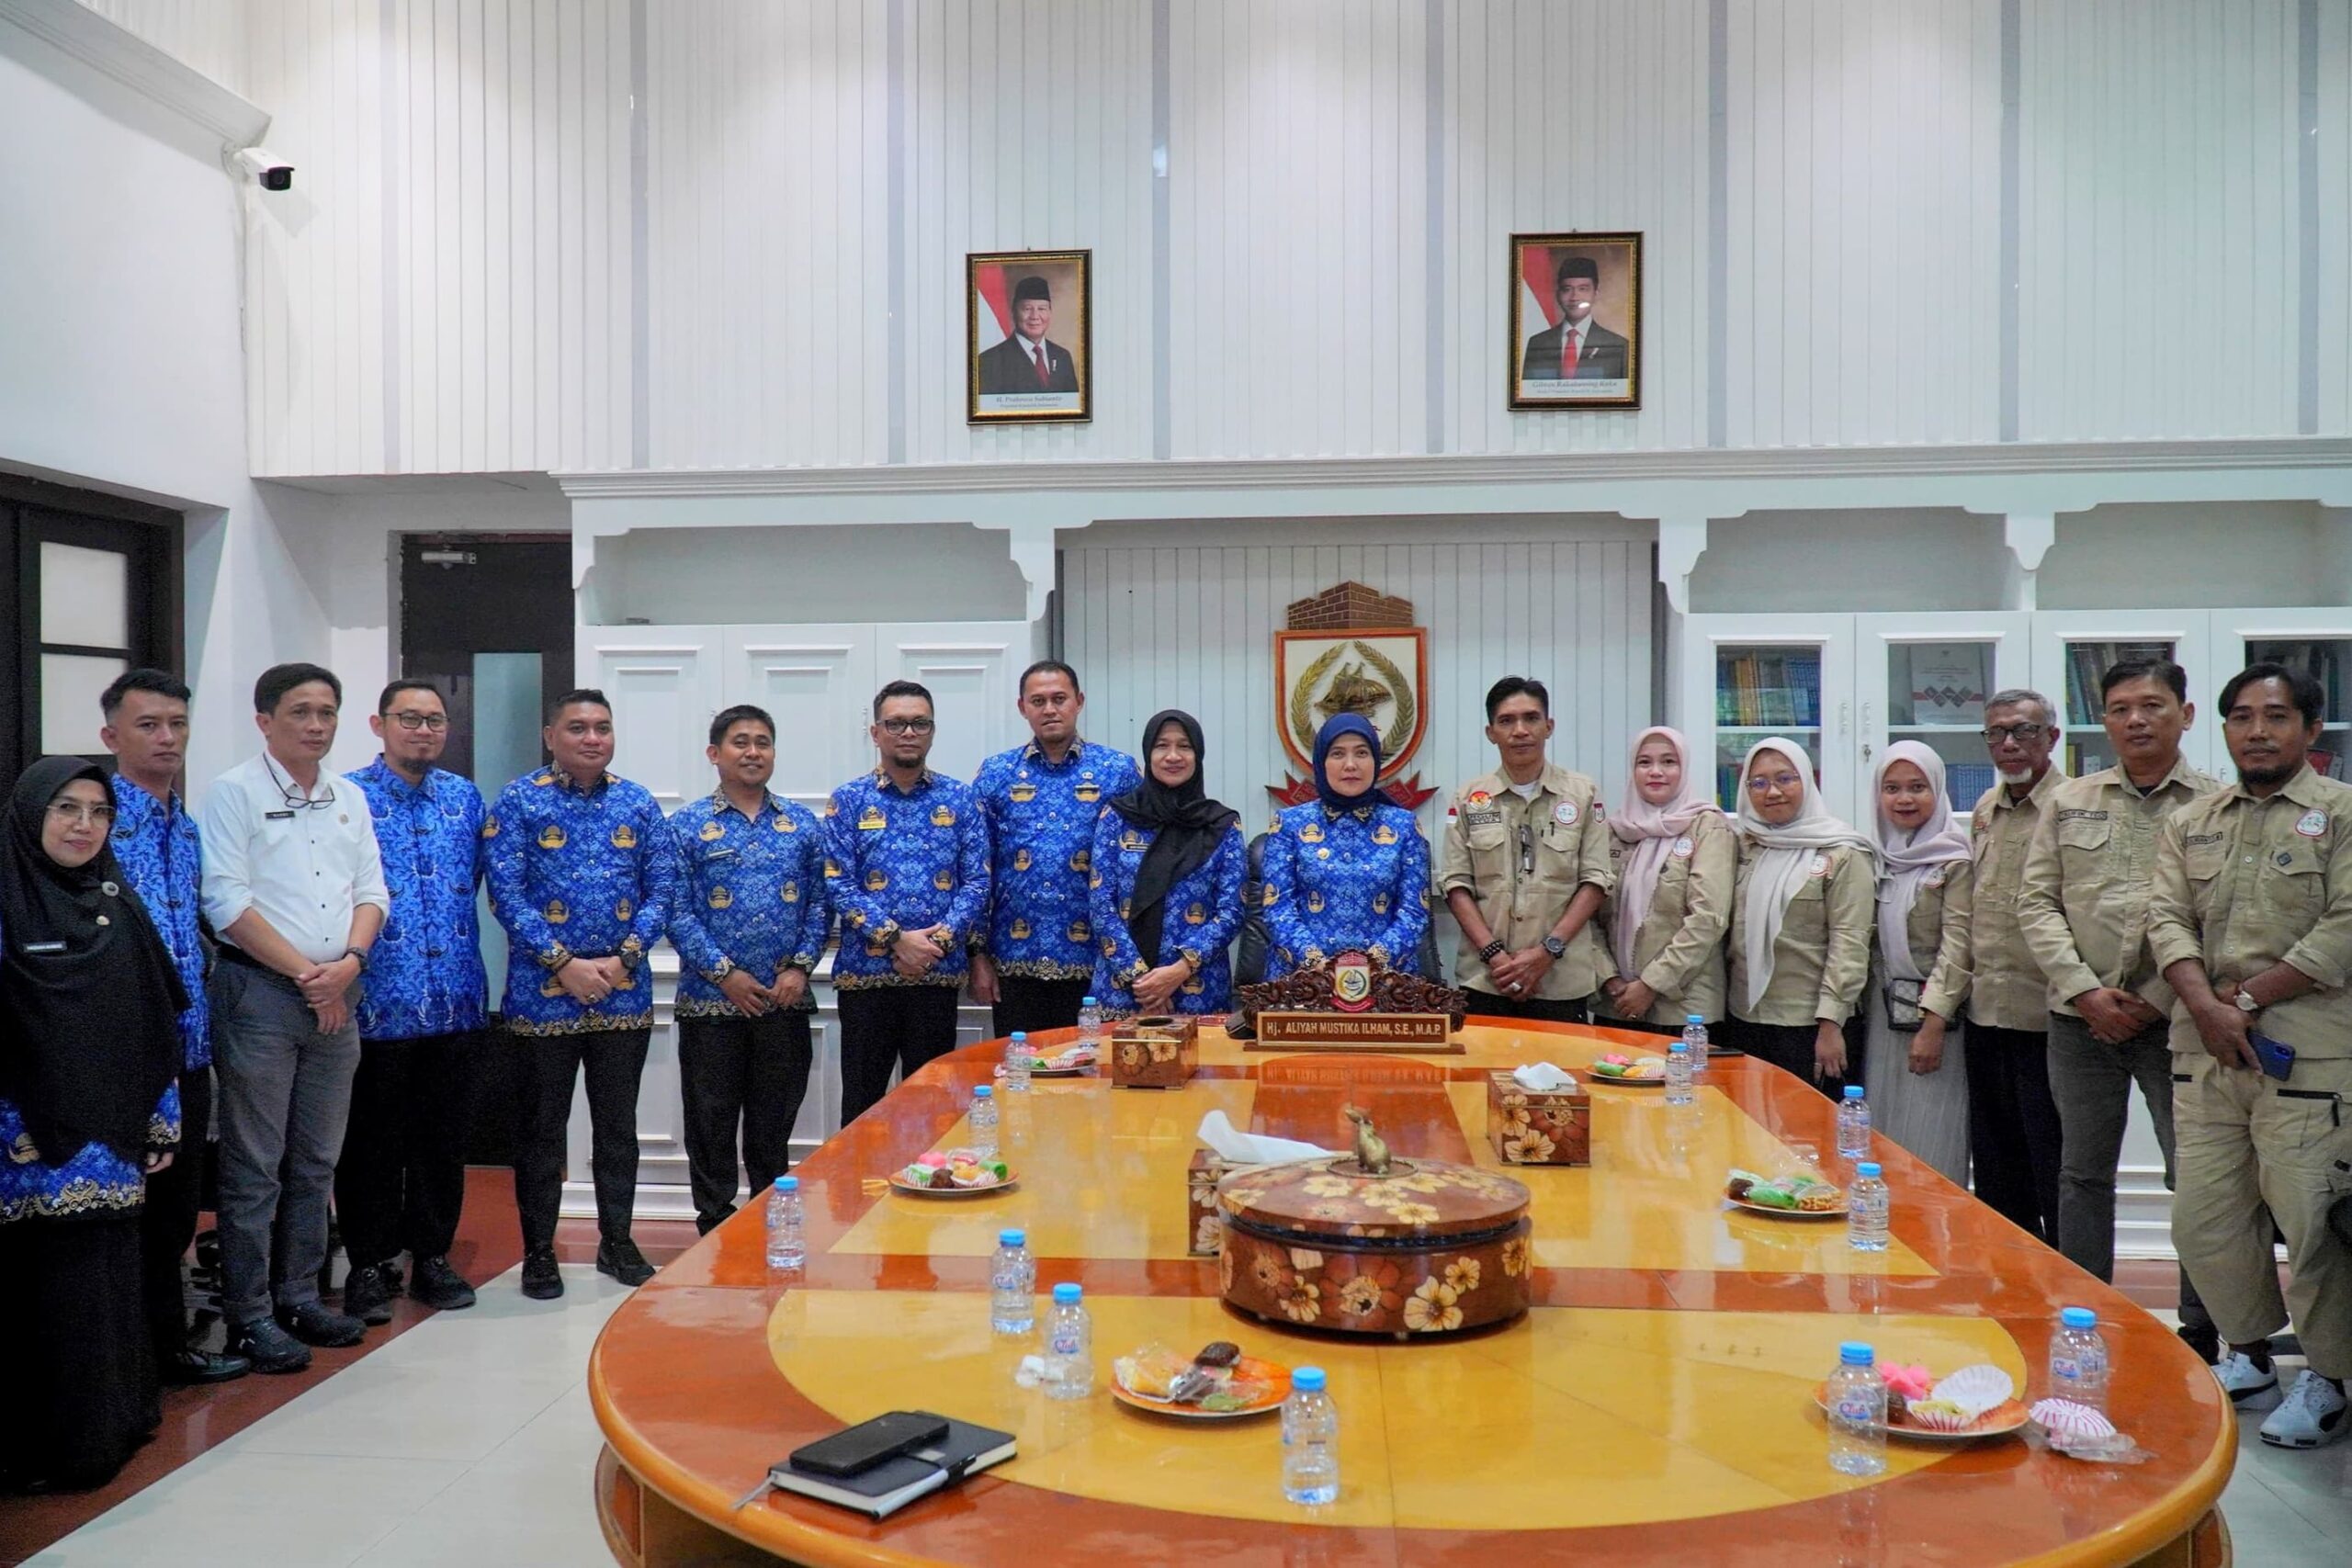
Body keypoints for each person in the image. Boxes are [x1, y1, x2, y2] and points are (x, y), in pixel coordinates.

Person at [2152, 662, 2352, 1449]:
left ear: (2310, 727)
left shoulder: (2341, 814)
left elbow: (2344, 926)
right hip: (2205, 1053)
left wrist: (2247, 999)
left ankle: (2328, 1375)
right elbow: (2164, 918)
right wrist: (2207, 1007)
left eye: (2275, 716)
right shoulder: (2193, 820)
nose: (2257, 731)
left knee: (2311, 1226)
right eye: (2241, 717)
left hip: (2309, 1059)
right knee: (2205, 1219)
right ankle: (2250, 1351)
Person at [2018, 658, 2221, 1353]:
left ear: (2184, 715)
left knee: (2193, 1174)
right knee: (2081, 1172)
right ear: (2102, 720)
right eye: (2121, 708)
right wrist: (2084, 991)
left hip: (2179, 1022)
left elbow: (2215, 917)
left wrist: (2158, 997)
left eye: (2153, 706)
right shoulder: (2069, 801)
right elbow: (2036, 903)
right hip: (2079, 1021)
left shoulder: (2214, 806)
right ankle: (2084, 1317)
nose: (2136, 720)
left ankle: (2202, 1327)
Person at [0, 760, 187, 1490]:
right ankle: (39, 1445)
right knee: (39, 1287)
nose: (84, 825)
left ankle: (104, 1431)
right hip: (23, 1140)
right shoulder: (8, 901)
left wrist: (162, 1119)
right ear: (30, 814)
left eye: (99, 811)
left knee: (103, 1282)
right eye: (66, 808)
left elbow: (156, 1018)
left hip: (110, 1136)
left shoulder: (117, 900)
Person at [199, 663, 388, 1373]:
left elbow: (371, 891)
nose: (316, 724)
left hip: (340, 993)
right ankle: (248, 1313)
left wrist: (350, 963)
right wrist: (311, 977)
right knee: (255, 1164)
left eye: (327, 711)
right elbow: (226, 902)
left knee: (316, 1159)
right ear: (264, 720)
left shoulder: (349, 797)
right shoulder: (234, 792)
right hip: (262, 995)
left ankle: (301, 1295)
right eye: (301, 711)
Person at [486, 690, 675, 1299]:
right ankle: (539, 1251)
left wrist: (623, 959)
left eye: (602, 727)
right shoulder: (519, 800)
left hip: (623, 994)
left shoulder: (637, 802)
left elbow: (662, 891)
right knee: (542, 1131)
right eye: (577, 727)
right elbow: (505, 894)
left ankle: (617, 1241)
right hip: (542, 996)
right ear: (551, 736)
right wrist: (563, 963)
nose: (592, 738)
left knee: (617, 1128)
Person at [99, 669, 246, 1383]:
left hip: (190, 1051)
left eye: (177, 724)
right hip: (125, 1056)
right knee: (123, 1214)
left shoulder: (184, 826)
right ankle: (125, 1363)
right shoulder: (95, 822)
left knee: (175, 1213)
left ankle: (168, 1347)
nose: (166, 738)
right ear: (111, 735)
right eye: (148, 725)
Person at [334, 681, 489, 1322]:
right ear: (379, 724)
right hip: (375, 1003)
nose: (423, 730)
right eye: (410, 719)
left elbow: (473, 881)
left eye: (434, 720)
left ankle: (431, 1256)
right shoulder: (346, 796)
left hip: (456, 1000)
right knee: (370, 1142)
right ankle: (369, 1263)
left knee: (441, 1141)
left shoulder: (465, 797)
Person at [664, 705, 829, 1235]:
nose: (753, 752)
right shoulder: (686, 826)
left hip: (784, 1002)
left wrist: (800, 969)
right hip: (710, 1004)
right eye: (740, 742)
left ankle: (767, 1225)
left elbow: (820, 905)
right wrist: (725, 974)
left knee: (772, 1128)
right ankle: (713, 1229)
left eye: (763, 742)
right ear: (715, 754)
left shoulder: (802, 825)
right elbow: (675, 910)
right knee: (709, 1125)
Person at [825, 680, 989, 1123]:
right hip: (866, 979)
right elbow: (838, 883)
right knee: (862, 1108)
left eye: (920, 723)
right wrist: (897, 939)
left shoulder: (960, 798)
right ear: (876, 732)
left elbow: (977, 881)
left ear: (933, 731)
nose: (909, 732)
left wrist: (934, 944)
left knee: (932, 1107)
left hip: (935, 976)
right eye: (896, 724)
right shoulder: (848, 800)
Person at [969, 661, 1140, 1036]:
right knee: (1021, 1068)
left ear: (1079, 701)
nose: (1050, 709)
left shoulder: (1118, 771)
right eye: (1038, 701)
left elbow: (1139, 870)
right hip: (1014, 960)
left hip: (1099, 963)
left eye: (1059, 699)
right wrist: (976, 954)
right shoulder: (996, 773)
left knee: (1091, 1068)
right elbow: (977, 870)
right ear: (1022, 707)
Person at [1437, 677, 1613, 1021]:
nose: (1520, 731)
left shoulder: (1583, 793)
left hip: (1560, 980)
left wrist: (1548, 952)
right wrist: (1495, 956)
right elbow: (1455, 884)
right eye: (1507, 721)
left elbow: (1596, 880)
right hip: (1487, 980)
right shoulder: (1469, 798)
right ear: (1491, 733)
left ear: (1549, 726)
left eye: (1531, 718)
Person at [1962, 690, 2069, 1242]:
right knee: (1998, 1166)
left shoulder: (2075, 806)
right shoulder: (1985, 809)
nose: (2009, 744)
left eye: (2024, 730)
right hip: (1986, 1015)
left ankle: (2066, 1277)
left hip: (2048, 1016)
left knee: (2055, 1163)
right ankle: (2010, 1272)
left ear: (2052, 737)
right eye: (1997, 733)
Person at [1721, 737, 1876, 1092]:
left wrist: (1831, 1024)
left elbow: (1849, 944)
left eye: (1785, 779)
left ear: (1807, 780)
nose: (1773, 791)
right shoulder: (1744, 847)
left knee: (1809, 1125)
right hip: (1744, 1017)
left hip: (1811, 1025)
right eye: (1759, 782)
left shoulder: (1843, 852)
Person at [1858, 742, 1975, 1182]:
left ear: (1938, 791)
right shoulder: (1877, 858)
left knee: (1933, 1136)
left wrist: (1933, 1024)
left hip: (1938, 1021)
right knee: (1883, 1133)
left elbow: (1959, 947)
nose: (1904, 799)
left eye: (1917, 787)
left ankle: (1934, 1224)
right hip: (1882, 1016)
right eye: (1892, 788)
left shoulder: (1955, 861)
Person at [1088, 710, 1245, 1015]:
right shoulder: (1117, 817)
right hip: (1124, 990)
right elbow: (1101, 904)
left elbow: (1232, 911)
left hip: (1196, 990)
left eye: (1184, 746)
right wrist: (1143, 981)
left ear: (1198, 755)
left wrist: (1178, 971)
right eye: (1162, 746)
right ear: (1148, 754)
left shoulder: (1221, 824)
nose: (1173, 756)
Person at [1260, 714, 1430, 978]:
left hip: (1386, 981)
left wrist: (1370, 965)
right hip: (1302, 981)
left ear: (1376, 761)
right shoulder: (1288, 824)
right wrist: (1318, 964)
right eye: (1338, 754)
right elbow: (1278, 909)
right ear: (1321, 762)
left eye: (1361, 753)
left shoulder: (1404, 825)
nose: (1351, 765)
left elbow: (1414, 912)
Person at [1598, 726, 1735, 1031]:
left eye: (1669, 762)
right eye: (1644, 762)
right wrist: (1610, 978)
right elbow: (1591, 915)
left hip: (1684, 1008)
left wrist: (1651, 984)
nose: (1656, 771)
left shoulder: (1707, 827)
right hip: (1616, 1002)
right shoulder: (1614, 831)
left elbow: (1708, 919)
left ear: (1684, 769)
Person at [1520, 254, 1630, 382]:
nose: (1574, 297)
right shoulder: (1537, 343)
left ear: (1596, 293)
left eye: (1583, 289)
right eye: (1567, 289)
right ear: (1558, 294)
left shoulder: (1618, 345)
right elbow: (1528, 390)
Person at [976, 276, 1080, 394]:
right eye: (1027, 309)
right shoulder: (990, 360)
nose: (1035, 316)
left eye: (1042, 309)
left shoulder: (1062, 357)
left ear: (1050, 312)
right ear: (1014, 312)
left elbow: (1072, 402)